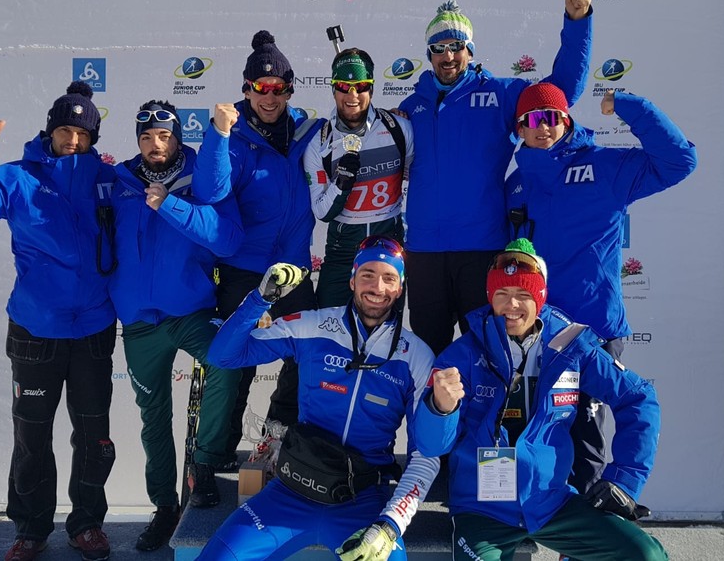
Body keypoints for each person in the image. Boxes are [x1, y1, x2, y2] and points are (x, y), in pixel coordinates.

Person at [0, 82, 118, 561]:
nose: (73, 140)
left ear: (93, 135)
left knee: (94, 437)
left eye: (82, 132)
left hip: (95, 330)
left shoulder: (108, 179)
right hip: (37, 330)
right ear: (50, 131)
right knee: (31, 437)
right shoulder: (17, 178)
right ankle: (31, 528)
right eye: (65, 130)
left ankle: (87, 524)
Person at [414, 238, 666, 561]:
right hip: (482, 511)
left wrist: (625, 480)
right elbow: (431, 446)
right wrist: (439, 409)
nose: (511, 306)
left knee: (645, 554)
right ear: (490, 297)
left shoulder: (569, 346)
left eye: (523, 295)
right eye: (502, 294)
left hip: (550, 503)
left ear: (541, 298)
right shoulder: (463, 354)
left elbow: (638, 397)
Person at [505, 84, 697, 494]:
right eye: (532, 120)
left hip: (592, 330)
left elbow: (680, 161)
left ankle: (581, 549)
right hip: (536, 333)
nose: (543, 127)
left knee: (586, 444)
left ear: (566, 120)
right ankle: (531, 524)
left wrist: (632, 106)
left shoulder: (605, 165)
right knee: (535, 436)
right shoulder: (517, 184)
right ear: (519, 129)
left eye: (550, 117)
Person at [200, 236, 439, 560]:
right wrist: (260, 299)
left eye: (388, 278)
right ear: (352, 279)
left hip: (363, 501)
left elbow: (426, 455)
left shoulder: (417, 356)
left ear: (399, 288)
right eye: (367, 274)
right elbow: (223, 356)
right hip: (290, 492)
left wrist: (389, 526)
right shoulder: (313, 325)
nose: (377, 287)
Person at [398, 0, 593, 355]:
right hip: (424, 251)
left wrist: (578, 25)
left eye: (456, 45)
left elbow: (560, 92)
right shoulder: (412, 107)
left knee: (487, 356)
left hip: (482, 248)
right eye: (438, 48)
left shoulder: (502, 94)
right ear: (429, 56)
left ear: (470, 50)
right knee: (427, 357)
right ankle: (432, 415)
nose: (448, 55)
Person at [108, 100, 244, 550]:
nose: (155, 145)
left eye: (164, 136)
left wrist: (170, 206)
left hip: (190, 312)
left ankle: (203, 467)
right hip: (140, 325)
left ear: (177, 137)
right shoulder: (117, 180)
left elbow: (227, 238)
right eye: (146, 137)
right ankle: (164, 508)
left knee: (226, 360)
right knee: (153, 419)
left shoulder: (200, 176)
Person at [216, 30, 325, 467]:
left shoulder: (307, 129)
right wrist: (219, 137)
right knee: (233, 366)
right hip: (243, 268)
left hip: (293, 268)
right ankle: (216, 455)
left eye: (279, 88)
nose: (270, 95)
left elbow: (354, 129)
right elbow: (212, 191)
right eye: (261, 88)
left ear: (289, 90)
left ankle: (275, 438)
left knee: (305, 352)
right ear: (247, 89)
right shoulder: (232, 134)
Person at [303, 47, 414, 307]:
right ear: (333, 89)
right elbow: (322, 211)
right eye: (343, 86)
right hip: (343, 247)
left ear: (372, 89)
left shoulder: (399, 128)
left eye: (361, 86)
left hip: (388, 240)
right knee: (330, 326)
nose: (352, 95)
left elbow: (417, 177)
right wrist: (341, 183)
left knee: (387, 330)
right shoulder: (319, 142)